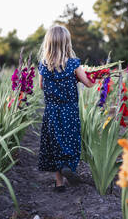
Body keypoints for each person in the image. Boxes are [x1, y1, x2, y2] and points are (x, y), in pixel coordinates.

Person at [37, 25, 95, 192]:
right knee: (70, 142)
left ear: (48, 44)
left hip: (51, 111)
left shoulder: (43, 66)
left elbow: (41, 86)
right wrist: (98, 76)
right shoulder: (74, 64)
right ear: (67, 44)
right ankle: (68, 166)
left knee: (55, 145)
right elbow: (89, 84)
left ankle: (59, 184)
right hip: (69, 111)